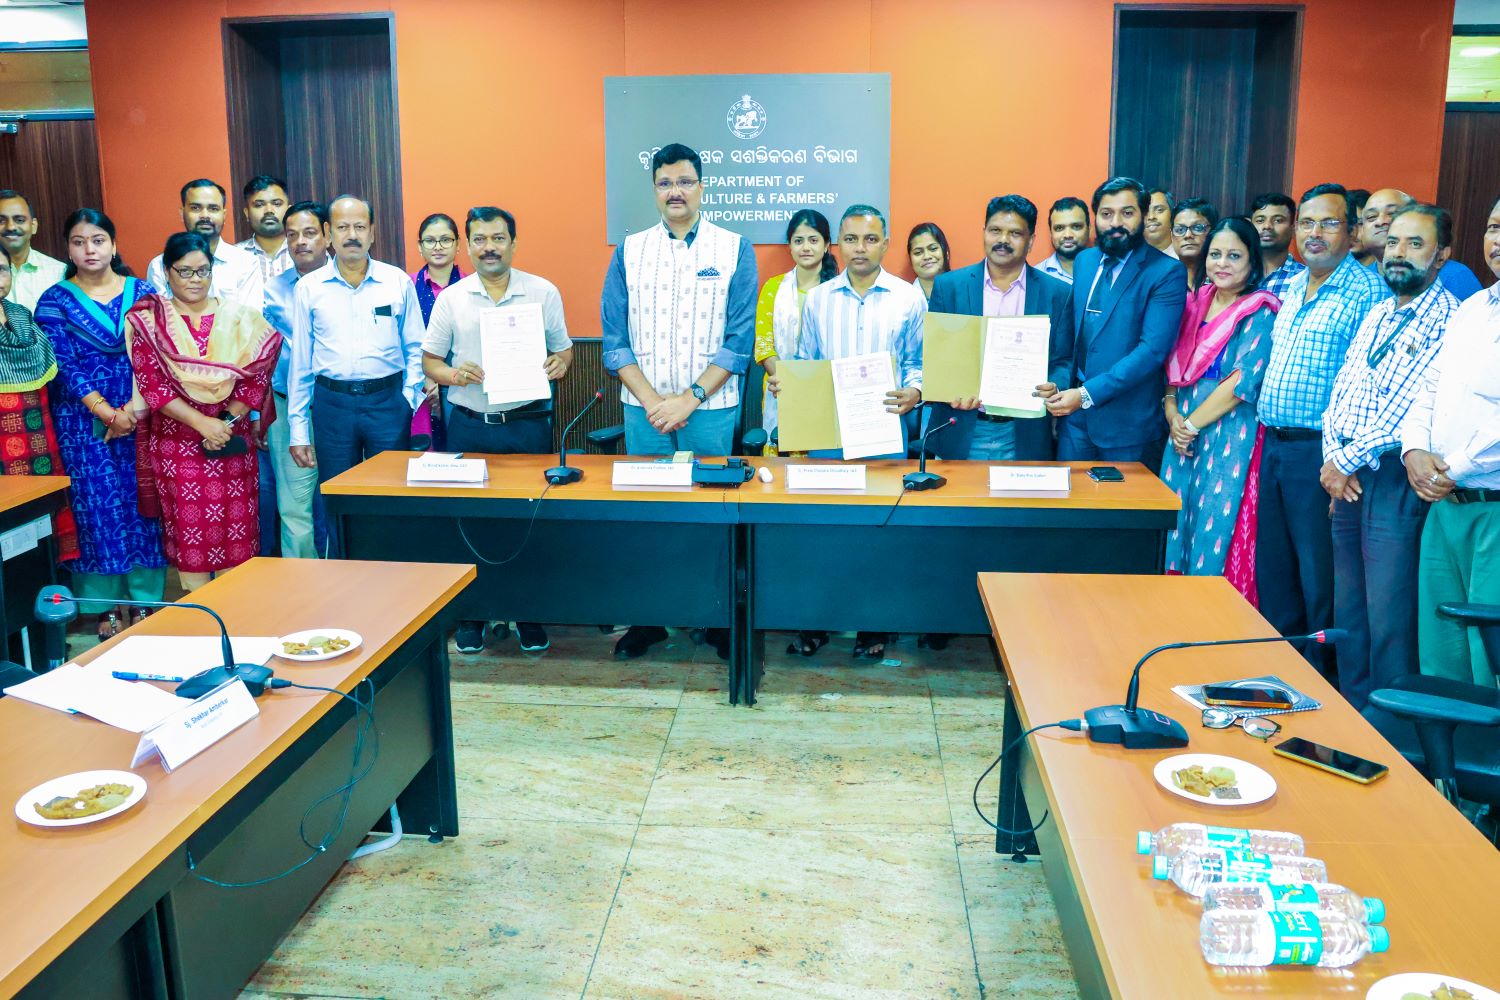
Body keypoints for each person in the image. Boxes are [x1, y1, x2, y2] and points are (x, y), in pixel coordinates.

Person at [600, 142, 756, 660]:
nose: (675, 192)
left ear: (702, 187)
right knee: (649, 517)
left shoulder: (733, 248)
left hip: (709, 409)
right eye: (665, 183)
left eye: (685, 181)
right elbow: (614, 340)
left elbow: (739, 341)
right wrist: (653, 402)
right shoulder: (630, 250)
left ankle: (715, 619)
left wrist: (688, 399)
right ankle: (649, 621)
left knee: (712, 515)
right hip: (644, 412)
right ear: (654, 190)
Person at [1321, 203, 1459, 710]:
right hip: (1348, 477)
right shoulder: (1379, 312)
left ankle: (1391, 730)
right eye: (1395, 241)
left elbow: (1411, 408)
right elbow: (1341, 393)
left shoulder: (1449, 319)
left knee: (1389, 617)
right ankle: (1354, 718)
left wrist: (1345, 462)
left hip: (1394, 480)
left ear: (1441, 255)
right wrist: (1334, 457)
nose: (1399, 253)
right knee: (1349, 612)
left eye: (1415, 244)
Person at [773, 203, 926, 660]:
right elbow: (805, 360)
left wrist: (915, 390)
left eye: (871, 239)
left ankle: (872, 623)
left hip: (884, 430)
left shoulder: (908, 298)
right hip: (828, 433)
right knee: (824, 527)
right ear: (838, 244)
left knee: (879, 528)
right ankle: (817, 621)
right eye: (852, 239)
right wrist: (791, 382)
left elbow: (918, 361)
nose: (861, 248)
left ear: (886, 243)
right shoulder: (819, 299)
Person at [423, 206, 572, 656]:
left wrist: (558, 364)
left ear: (514, 243)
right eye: (480, 239)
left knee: (528, 522)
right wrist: (453, 375)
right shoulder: (453, 299)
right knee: (471, 523)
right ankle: (473, 616)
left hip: (527, 426)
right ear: (467, 246)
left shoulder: (542, 292)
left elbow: (564, 353)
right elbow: (430, 361)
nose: (489, 247)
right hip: (470, 427)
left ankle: (527, 613)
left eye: (498, 238)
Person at [1255, 183, 1387, 678]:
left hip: (1322, 455)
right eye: (1307, 222)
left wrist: (1343, 460)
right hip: (1274, 446)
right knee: (1276, 571)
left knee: (1320, 579)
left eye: (1329, 223)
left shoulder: (1367, 293)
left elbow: (1369, 387)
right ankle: (1279, 675)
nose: (1315, 233)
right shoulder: (1292, 287)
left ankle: (1322, 684)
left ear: (1352, 232)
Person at [34, 209, 166, 636]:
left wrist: (130, 410)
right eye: (78, 242)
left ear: (113, 244)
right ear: (68, 249)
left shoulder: (143, 292)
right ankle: (105, 608)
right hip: (81, 422)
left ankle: (146, 602)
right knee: (95, 509)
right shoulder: (54, 300)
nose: (89, 249)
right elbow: (63, 364)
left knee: (144, 506)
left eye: (97, 240)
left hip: (141, 413)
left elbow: (157, 355)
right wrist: (106, 412)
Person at [127, 233, 280, 591]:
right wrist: (202, 424)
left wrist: (223, 423)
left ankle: (237, 616)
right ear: (167, 272)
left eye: (203, 271)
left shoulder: (241, 318)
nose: (195, 280)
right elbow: (153, 386)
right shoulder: (150, 321)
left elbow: (256, 379)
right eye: (185, 271)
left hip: (230, 446)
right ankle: (200, 616)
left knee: (237, 538)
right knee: (191, 538)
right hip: (179, 448)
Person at [287, 194, 425, 557]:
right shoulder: (309, 288)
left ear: (372, 232)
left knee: (390, 496)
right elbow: (301, 363)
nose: (352, 235)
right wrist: (298, 428)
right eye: (343, 227)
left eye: (360, 227)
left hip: (388, 404)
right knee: (337, 498)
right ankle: (343, 573)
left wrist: (408, 400)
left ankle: (392, 572)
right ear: (328, 233)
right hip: (332, 405)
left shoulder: (396, 282)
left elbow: (416, 347)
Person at [1400, 194, 1500, 689]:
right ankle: (1446, 741)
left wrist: (1451, 469)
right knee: (1442, 649)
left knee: (1490, 654)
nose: (1498, 239)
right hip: (1445, 503)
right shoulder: (1475, 307)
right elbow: (1431, 385)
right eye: (1494, 227)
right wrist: (1414, 450)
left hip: (1491, 507)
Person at [1160, 217, 1279, 601]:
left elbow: (1241, 382)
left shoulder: (1260, 310)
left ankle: (1211, 613)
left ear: (1252, 261)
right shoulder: (1194, 303)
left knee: (1215, 521)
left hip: (1228, 434)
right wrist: (1172, 412)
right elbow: (1174, 365)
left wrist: (1189, 426)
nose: (1222, 263)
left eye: (1234, 255)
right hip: (1181, 430)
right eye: (1215, 254)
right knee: (1177, 519)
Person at [1042, 176, 1188, 473]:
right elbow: (1071, 336)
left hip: (1128, 425)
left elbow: (1151, 351)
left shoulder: (1166, 272)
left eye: (1127, 213)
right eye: (1106, 213)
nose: (1115, 223)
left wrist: (1086, 395)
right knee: (1069, 500)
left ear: (1144, 216)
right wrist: (1058, 382)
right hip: (1075, 421)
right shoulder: (1085, 260)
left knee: (1122, 503)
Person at [927, 194, 1073, 462]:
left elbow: (1064, 360)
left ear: (1031, 240)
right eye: (995, 230)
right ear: (984, 232)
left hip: (1024, 433)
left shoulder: (1057, 293)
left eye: (1015, 233)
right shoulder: (949, 286)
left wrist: (1055, 385)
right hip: (961, 427)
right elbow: (937, 357)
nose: (1003, 240)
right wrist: (948, 392)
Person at [262, 200, 331, 559]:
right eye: (292, 235)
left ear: (327, 235)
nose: (300, 242)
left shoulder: (348, 282)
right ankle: (304, 583)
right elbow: (264, 352)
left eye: (309, 233)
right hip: (288, 409)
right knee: (293, 507)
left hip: (338, 407)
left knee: (343, 502)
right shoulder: (274, 289)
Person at [0, 256, 78, 562]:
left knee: (40, 517)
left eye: (2, 269)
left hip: (35, 430)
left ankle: (44, 576)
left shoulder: (21, 315)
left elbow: (48, 368)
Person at [753, 208, 836, 437]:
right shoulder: (773, 288)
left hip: (829, 391)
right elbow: (764, 346)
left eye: (813, 240)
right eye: (798, 241)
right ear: (789, 246)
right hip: (780, 387)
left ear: (827, 245)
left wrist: (811, 385)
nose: (805, 247)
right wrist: (790, 383)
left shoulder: (839, 291)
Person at [1358, 188, 1483, 301]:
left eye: (1392, 214)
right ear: (1361, 230)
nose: (1380, 221)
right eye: (1371, 217)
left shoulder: (1455, 275)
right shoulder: (1362, 279)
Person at [146, 179, 259, 304]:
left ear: (224, 215)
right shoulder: (160, 265)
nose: (205, 215)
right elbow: (161, 314)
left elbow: (249, 315)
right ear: (182, 213)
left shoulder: (246, 263)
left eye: (213, 208)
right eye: (195, 208)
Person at [409, 213, 463, 450]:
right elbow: (402, 339)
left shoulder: (472, 286)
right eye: (430, 240)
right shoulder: (406, 286)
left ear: (458, 245)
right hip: (419, 386)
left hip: (462, 384)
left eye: (446, 240)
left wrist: (446, 380)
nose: (438, 246)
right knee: (426, 455)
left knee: (462, 453)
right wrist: (426, 379)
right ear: (420, 246)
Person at [0, 189, 66, 312]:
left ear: (33, 226)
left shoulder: (59, 273)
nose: (11, 227)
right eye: (1, 221)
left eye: (19, 220)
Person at [235, 174, 293, 290]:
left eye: (277, 204)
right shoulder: (233, 257)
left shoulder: (304, 252)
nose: (269, 211)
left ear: (289, 210)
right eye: (259, 205)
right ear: (247, 213)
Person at [1249, 192, 1305, 300]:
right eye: (1260, 220)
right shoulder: (1239, 274)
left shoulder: (1304, 278)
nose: (1267, 226)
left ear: (1293, 228)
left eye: (1278, 220)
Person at [1038, 196, 1090, 284]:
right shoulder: (1036, 277)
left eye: (1076, 226)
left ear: (1089, 228)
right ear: (1051, 232)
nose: (1067, 235)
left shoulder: (1106, 270)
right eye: (1059, 228)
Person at [1170, 198, 1219, 289]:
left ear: (1213, 232)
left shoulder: (1223, 280)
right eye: (1180, 230)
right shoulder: (1164, 281)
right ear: (1172, 236)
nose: (1188, 235)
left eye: (1197, 228)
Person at [906, 222, 951, 300]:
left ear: (946, 253)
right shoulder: (904, 299)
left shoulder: (963, 291)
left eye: (933, 249)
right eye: (918, 252)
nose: (926, 256)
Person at [1145, 188, 1177, 257]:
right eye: (1145, 211)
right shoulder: (1129, 257)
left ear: (1173, 214)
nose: (1151, 217)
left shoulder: (1185, 255)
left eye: (1159, 210)